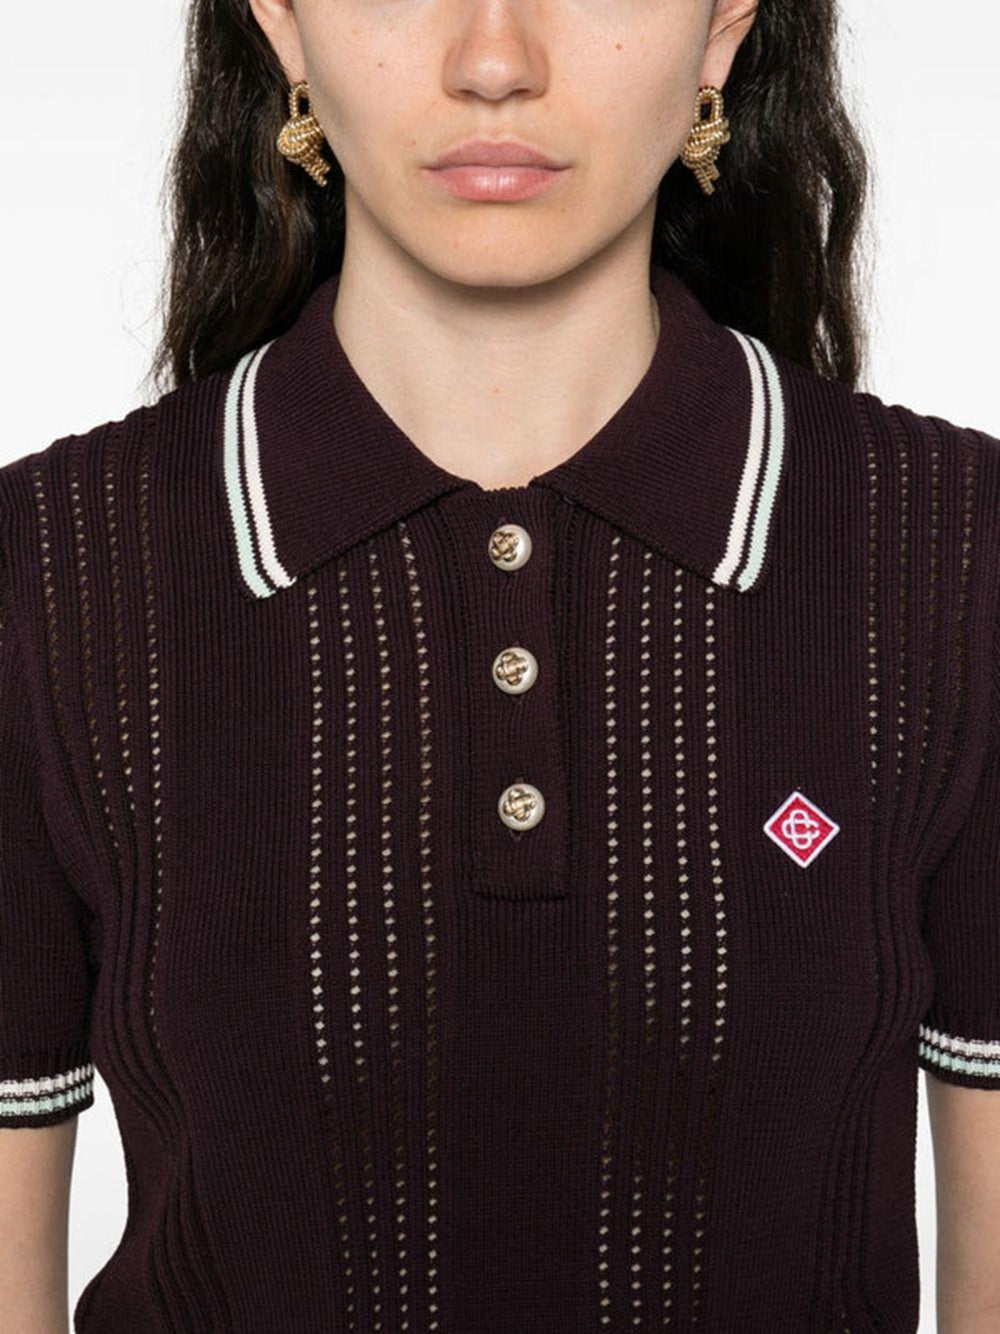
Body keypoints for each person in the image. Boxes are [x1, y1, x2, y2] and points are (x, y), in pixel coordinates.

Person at [1, 0, 998, 1331]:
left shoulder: (953, 548)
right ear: (282, 24)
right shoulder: (52, 566)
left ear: (723, 29)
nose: (492, 63)